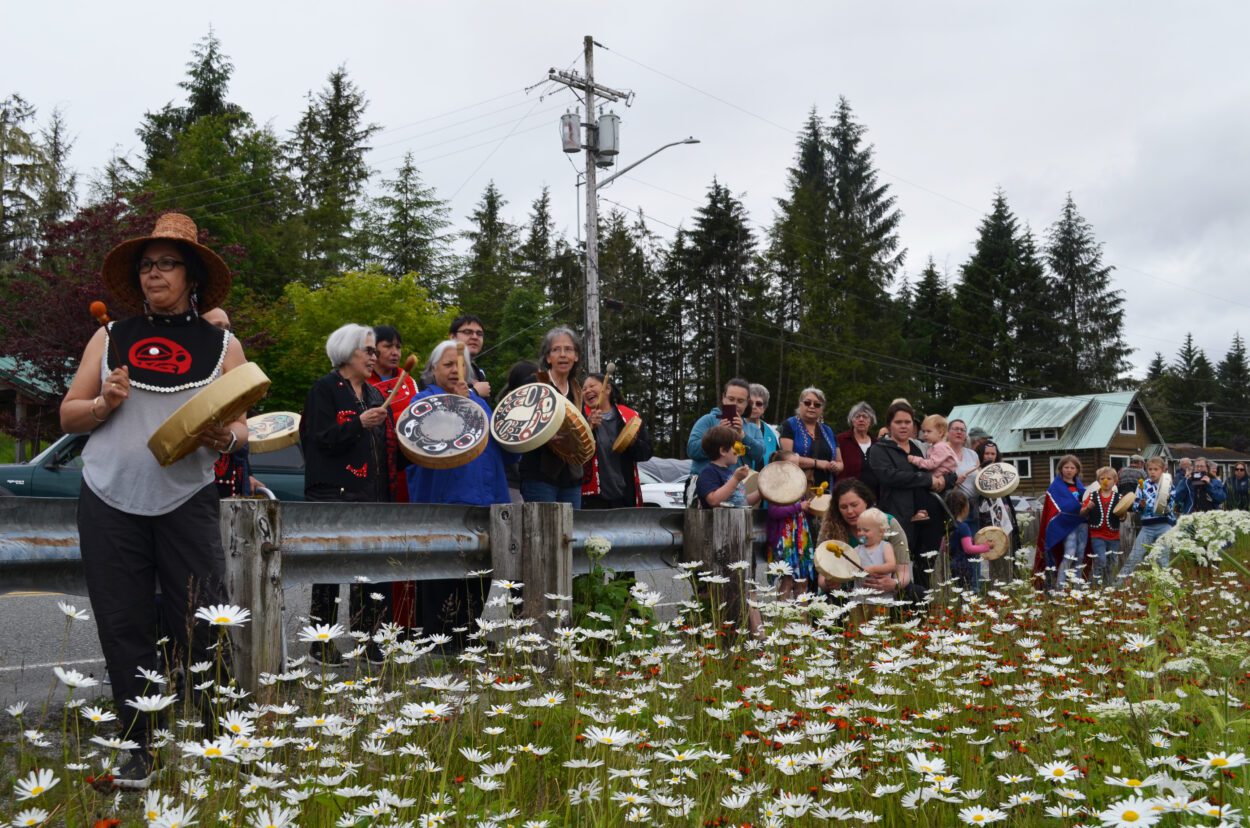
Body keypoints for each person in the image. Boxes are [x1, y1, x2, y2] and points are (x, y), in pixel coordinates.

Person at [61, 213, 247, 787]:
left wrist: (224, 437)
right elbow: (68, 414)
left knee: (203, 621)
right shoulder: (110, 335)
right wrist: (102, 405)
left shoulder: (223, 345)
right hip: (108, 496)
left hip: (186, 494)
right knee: (124, 624)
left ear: (190, 275)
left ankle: (215, 740)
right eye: (146, 265)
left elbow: (242, 427)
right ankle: (139, 747)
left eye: (166, 264)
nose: (153, 275)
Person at [301, 323, 400, 666]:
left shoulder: (373, 394)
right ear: (347, 351)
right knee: (329, 570)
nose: (375, 357)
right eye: (369, 350)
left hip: (370, 495)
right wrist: (359, 423)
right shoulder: (324, 390)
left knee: (367, 570)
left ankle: (367, 640)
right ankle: (320, 644)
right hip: (332, 493)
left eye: (375, 351)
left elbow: (385, 449)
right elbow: (318, 439)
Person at [406, 340, 514, 647]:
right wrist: (454, 403)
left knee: (480, 573)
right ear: (433, 370)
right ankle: (437, 637)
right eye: (448, 365)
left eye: (460, 364)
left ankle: (471, 636)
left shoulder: (480, 404)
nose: (455, 371)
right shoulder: (424, 402)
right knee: (442, 571)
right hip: (443, 501)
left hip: (486, 498)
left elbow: (503, 450)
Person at [861, 401, 947, 592]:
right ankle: (899, 613)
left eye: (907, 422)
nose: (903, 426)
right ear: (889, 424)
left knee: (925, 569)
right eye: (898, 422)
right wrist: (927, 479)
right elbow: (889, 476)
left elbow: (945, 468)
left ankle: (924, 611)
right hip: (898, 517)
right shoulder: (879, 449)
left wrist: (943, 481)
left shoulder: (920, 448)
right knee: (900, 570)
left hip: (926, 519)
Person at [517, 328, 587, 507]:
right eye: (556, 350)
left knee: (571, 533)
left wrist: (590, 425)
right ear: (548, 358)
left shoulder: (577, 390)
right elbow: (517, 425)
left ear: (576, 356)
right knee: (542, 532)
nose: (563, 355)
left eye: (569, 349)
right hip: (539, 475)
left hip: (571, 477)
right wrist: (543, 433)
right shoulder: (535, 383)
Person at [817, 479, 915, 602]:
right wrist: (829, 584)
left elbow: (903, 571)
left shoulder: (888, 524)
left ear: (866, 502)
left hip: (887, 588)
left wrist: (893, 584)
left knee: (916, 593)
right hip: (847, 593)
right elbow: (821, 579)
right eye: (843, 507)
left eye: (854, 505)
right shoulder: (831, 529)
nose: (850, 511)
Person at [580, 373, 654, 508]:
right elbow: (574, 452)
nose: (587, 391)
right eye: (584, 389)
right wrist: (587, 427)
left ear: (607, 389)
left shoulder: (630, 417)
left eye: (592, 386)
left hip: (625, 496)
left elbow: (646, 453)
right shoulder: (580, 418)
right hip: (592, 499)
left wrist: (633, 442)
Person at [764, 449, 815, 599]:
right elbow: (774, 512)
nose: (797, 469)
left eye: (798, 465)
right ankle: (782, 621)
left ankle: (803, 621)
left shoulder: (798, 485)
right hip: (785, 540)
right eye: (792, 465)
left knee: (802, 583)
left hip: (800, 538)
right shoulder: (775, 487)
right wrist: (799, 507)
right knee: (787, 582)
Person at [687, 378, 765, 475]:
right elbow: (692, 450)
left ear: (747, 403)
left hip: (737, 486)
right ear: (724, 398)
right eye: (731, 399)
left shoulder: (753, 429)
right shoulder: (708, 420)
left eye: (740, 401)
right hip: (707, 484)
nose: (735, 404)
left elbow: (759, 455)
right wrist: (718, 435)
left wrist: (742, 436)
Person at [1118, 456, 1177, 582]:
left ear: (1163, 470)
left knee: (1162, 559)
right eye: (1150, 469)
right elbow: (1135, 507)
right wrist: (1140, 505)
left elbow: (1170, 507)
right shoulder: (1142, 485)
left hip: (1164, 526)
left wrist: (1159, 505)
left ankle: (1166, 587)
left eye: (1156, 469)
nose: (1152, 472)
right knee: (1134, 556)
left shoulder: (1169, 485)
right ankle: (1117, 585)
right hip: (1147, 526)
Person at [1035, 454, 1090, 591]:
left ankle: (1077, 586)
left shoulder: (1081, 488)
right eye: (1066, 467)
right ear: (1060, 469)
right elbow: (1058, 509)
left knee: (1080, 555)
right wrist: (1078, 508)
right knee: (1069, 554)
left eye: (1072, 467)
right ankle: (1060, 587)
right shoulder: (1055, 488)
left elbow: (1086, 503)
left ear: (1077, 470)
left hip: (1082, 524)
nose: (1069, 470)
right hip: (1066, 526)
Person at [974, 440, 1019, 584]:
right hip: (984, 521)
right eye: (986, 453)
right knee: (990, 554)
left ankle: (1005, 585)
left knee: (1005, 555)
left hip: (1002, 519)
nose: (989, 456)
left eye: (993, 453)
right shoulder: (975, 473)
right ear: (981, 455)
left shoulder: (1000, 472)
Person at [779, 387, 842, 490]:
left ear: (822, 409)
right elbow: (787, 459)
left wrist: (835, 466)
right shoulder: (789, 425)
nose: (812, 407)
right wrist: (817, 463)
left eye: (817, 404)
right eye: (807, 403)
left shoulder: (828, 431)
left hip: (825, 489)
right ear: (800, 404)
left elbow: (840, 463)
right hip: (795, 489)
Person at [696, 425, 761, 509]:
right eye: (736, 447)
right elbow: (713, 500)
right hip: (717, 521)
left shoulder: (731, 473)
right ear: (723, 451)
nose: (739, 451)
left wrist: (761, 492)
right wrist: (735, 479)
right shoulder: (708, 472)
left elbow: (741, 502)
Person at [1083, 465, 1123, 586]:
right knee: (1101, 560)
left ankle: (1108, 587)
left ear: (1115, 481)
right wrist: (1087, 508)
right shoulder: (1092, 496)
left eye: (1109, 478)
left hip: (1114, 536)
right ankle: (1094, 586)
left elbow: (1123, 517)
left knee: (1111, 563)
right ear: (1098, 481)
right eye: (1102, 478)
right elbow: (1082, 513)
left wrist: (1123, 513)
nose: (1105, 481)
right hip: (1097, 535)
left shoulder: (1119, 497)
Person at [944, 491, 988, 593]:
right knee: (967, 589)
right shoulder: (964, 527)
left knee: (958, 590)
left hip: (952, 563)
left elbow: (944, 547)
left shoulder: (948, 525)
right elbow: (968, 549)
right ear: (965, 509)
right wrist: (986, 547)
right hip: (964, 565)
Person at [946, 419, 981, 529]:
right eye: (956, 429)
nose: (959, 432)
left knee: (973, 541)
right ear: (948, 432)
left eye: (962, 430)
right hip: (954, 507)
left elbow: (979, 477)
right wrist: (955, 483)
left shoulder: (973, 454)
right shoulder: (942, 452)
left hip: (974, 507)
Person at [450, 314, 491, 400]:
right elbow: (434, 403)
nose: (475, 337)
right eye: (467, 332)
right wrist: (474, 392)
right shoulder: (440, 367)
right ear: (452, 337)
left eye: (479, 333)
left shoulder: (477, 371)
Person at [835, 401, 877, 482]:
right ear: (852, 420)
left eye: (865, 416)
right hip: (847, 491)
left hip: (873, 493)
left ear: (871, 421)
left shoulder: (877, 444)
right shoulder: (841, 440)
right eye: (857, 416)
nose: (861, 419)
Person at [747, 383, 780, 472]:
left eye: (758, 404)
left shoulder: (773, 432)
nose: (753, 407)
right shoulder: (736, 427)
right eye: (750, 403)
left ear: (764, 408)